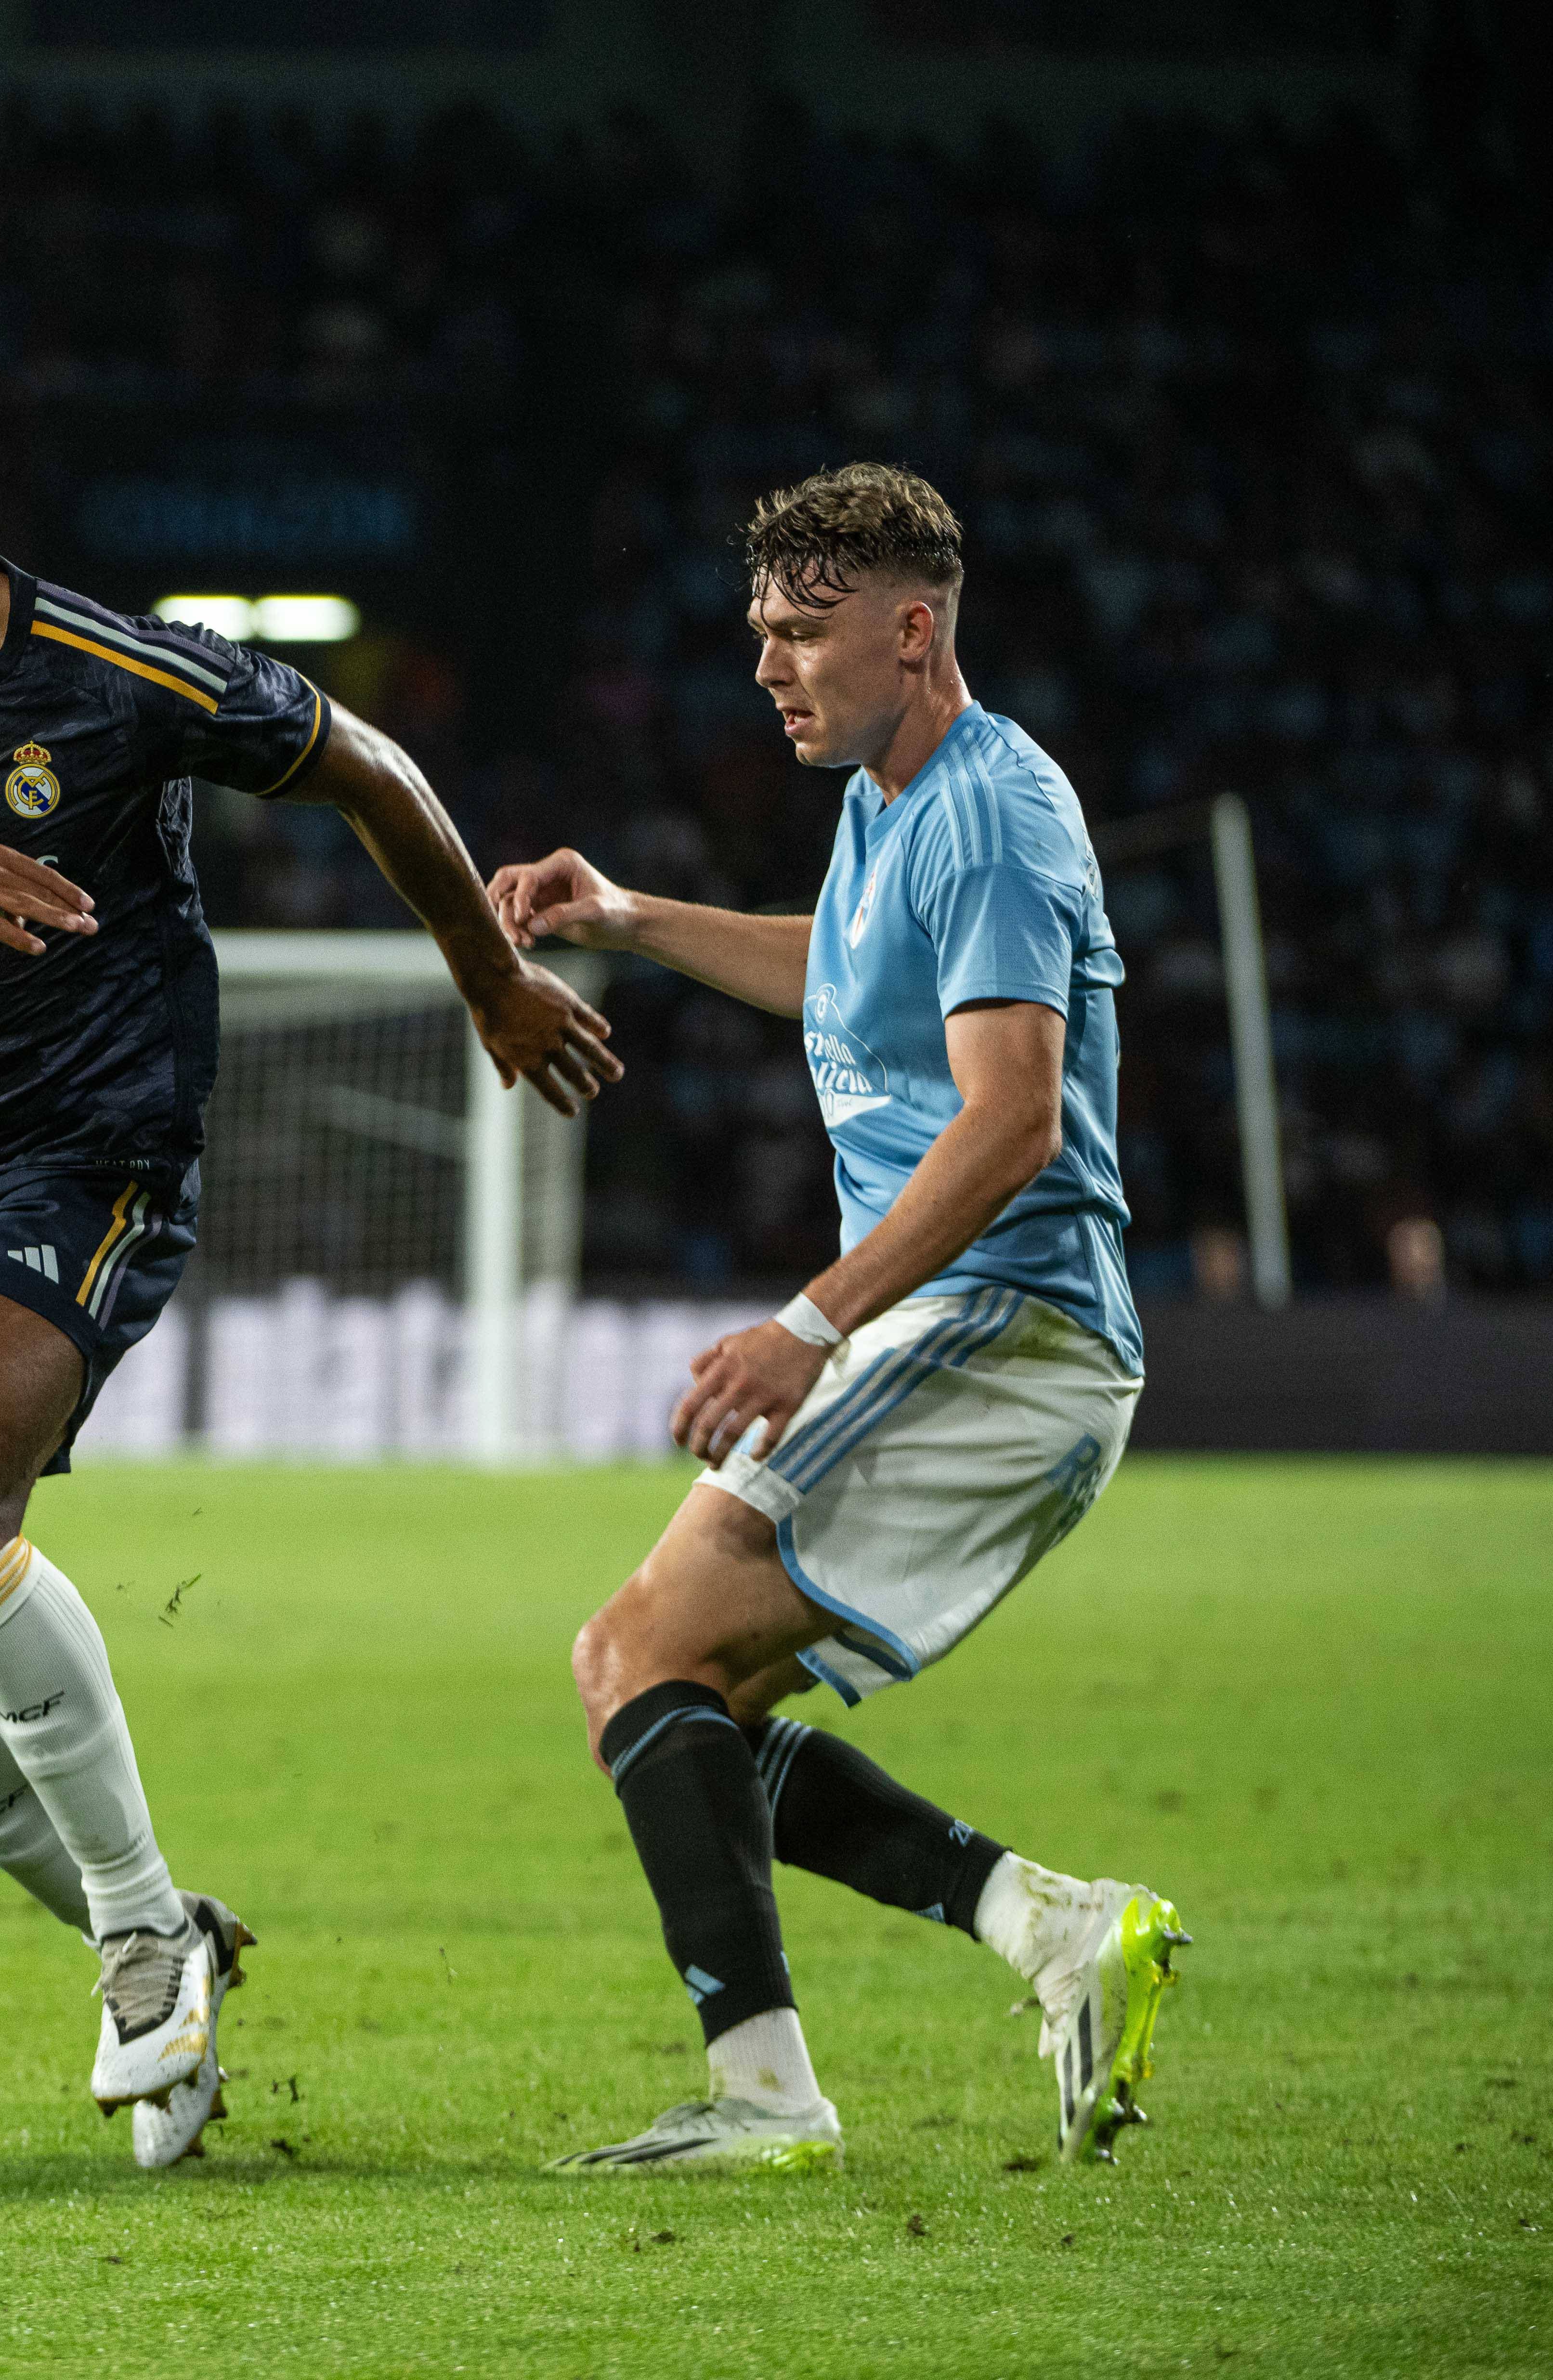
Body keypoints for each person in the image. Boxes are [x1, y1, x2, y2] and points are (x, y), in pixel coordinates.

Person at [0, 316, 620, 2169]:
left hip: (91, 1153)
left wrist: (491, 972)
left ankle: (129, 1938)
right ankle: (169, 1931)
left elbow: (371, 768)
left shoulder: (117, 674)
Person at [490, 464, 1182, 2174]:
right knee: (650, 1679)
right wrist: (631, 918)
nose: (768, 667)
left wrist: (808, 1320)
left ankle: (771, 2096)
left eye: (803, 633)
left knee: (647, 1650)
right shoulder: (891, 796)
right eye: (759, 634)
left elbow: (1014, 1117)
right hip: (962, 1332)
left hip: (1002, 1328)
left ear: (913, 627)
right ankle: (1046, 1928)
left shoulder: (997, 806)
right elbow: (849, 963)